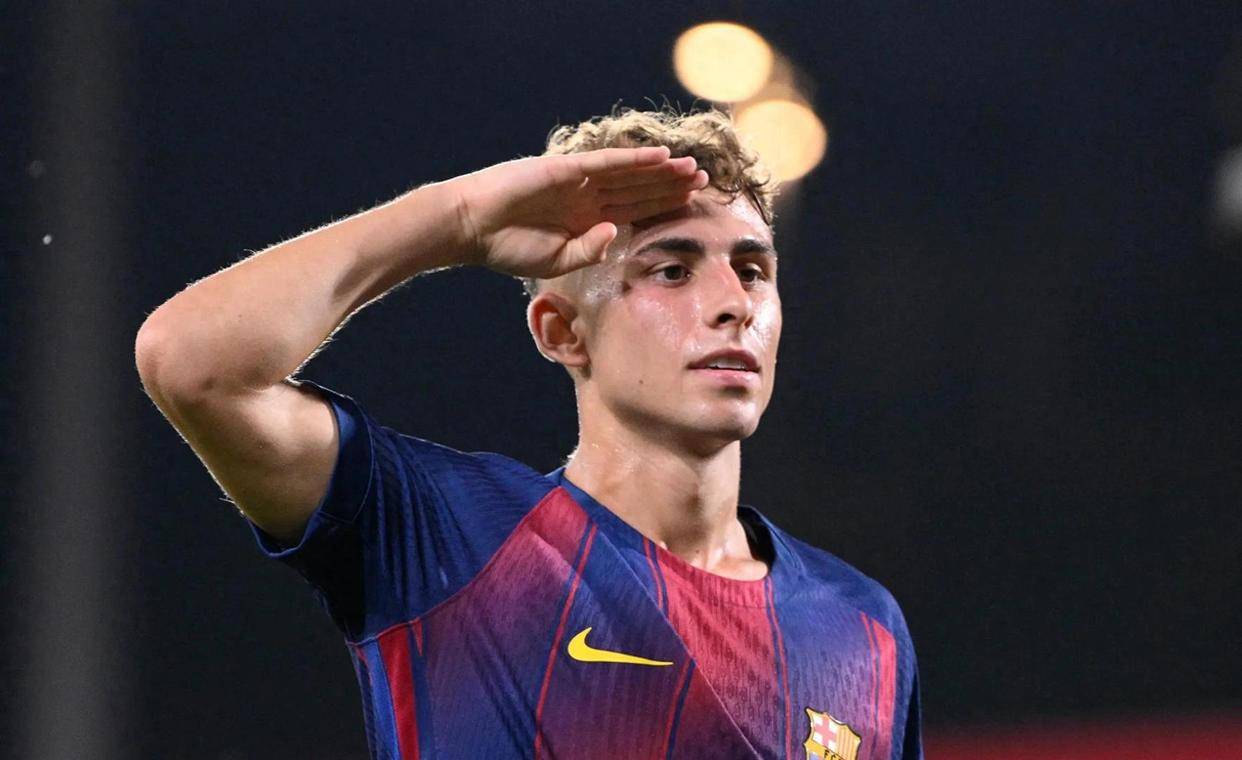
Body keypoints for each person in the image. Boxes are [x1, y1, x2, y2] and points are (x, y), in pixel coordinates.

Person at [135, 107, 922, 760]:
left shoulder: (864, 627)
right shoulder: (447, 536)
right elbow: (191, 364)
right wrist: (457, 219)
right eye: (672, 270)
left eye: (752, 270)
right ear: (563, 332)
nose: (733, 303)